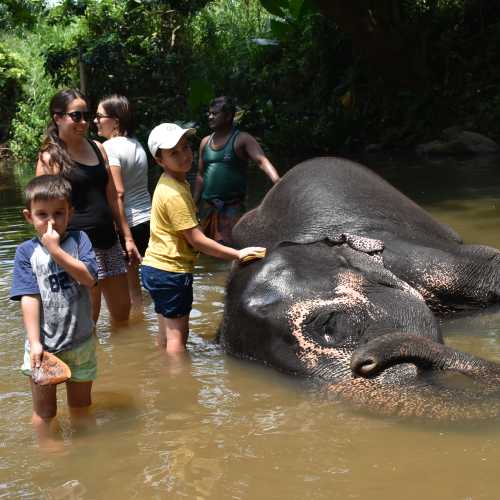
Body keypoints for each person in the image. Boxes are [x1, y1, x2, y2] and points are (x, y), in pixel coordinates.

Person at [142, 123, 266, 354]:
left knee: (166, 335)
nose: (184, 155)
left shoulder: (174, 182)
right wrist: (237, 254)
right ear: (160, 161)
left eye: (185, 147)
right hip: (172, 272)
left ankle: (163, 379)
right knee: (178, 339)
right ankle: (180, 387)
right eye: (174, 153)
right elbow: (197, 240)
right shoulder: (174, 194)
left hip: (155, 268)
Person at [35, 88, 141, 324]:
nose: (84, 121)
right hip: (77, 248)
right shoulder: (50, 157)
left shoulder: (98, 147)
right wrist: (53, 249)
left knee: (122, 315)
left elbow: (113, 197)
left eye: (86, 115)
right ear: (58, 117)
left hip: (107, 241)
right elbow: (42, 210)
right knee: (87, 323)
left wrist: (127, 238)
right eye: (76, 116)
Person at [10, 175, 98, 445]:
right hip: (44, 347)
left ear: (70, 212)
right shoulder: (26, 253)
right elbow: (29, 297)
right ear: (29, 216)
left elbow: (89, 278)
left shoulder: (80, 240)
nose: (51, 222)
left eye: (59, 213)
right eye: (42, 214)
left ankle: (87, 447)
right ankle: (47, 449)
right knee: (45, 412)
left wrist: (56, 251)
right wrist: (35, 343)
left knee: (81, 408)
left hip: (81, 343)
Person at [193, 96, 280, 246]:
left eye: (215, 113)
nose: (210, 116)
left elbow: (261, 161)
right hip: (208, 207)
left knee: (233, 248)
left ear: (228, 116)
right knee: (205, 247)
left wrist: (279, 183)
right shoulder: (205, 142)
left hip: (232, 207)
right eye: (209, 113)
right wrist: (193, 203)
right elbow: (200, 175)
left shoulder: (242, 139)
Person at [95, 94, 151, 310]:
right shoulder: (137, 144)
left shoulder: (109, 148)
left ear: (116, 121)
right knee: (140, 278)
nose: (95, 121)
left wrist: (121, 231)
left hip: (127, 222)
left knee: (129, 284)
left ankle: (136, 328)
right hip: (147, 218)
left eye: (100, 116)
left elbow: (118, 192)